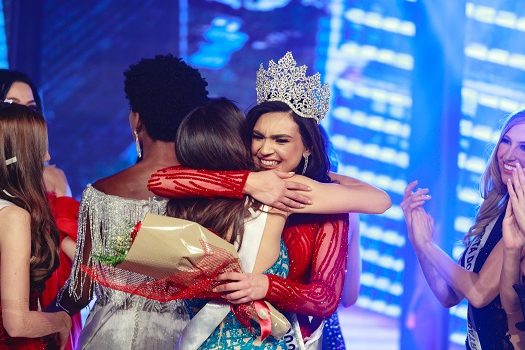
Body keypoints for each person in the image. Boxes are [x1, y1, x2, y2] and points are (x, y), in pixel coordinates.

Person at [148, 52, 391, 348]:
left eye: (281, 140)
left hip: (283, 337)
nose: (264, 149)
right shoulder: (238, 182)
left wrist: (265, 285)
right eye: (257, 136)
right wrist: (249, 182)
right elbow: (159, 180)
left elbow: (326, 298)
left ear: (308, 148)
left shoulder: (318, 200)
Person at [54, 54, 209, 349]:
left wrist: (54, 311)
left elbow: (81, 288)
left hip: (109, 337)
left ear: (136, 121)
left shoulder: (101, 192)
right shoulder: (204, 191)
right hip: (182, 337)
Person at [401, 109, 525, 349]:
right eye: (506, 142)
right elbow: (448, 294)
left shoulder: (519, 219)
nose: (509, 155)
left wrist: (429, 245)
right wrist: (419, 241)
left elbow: (478, 294)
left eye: (524, 147)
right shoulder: (497, 207)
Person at [0, 68, 80, 349]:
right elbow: (17, 322)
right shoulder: (13, 215)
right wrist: (60, 321)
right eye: (11, 108)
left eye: (32, 109)